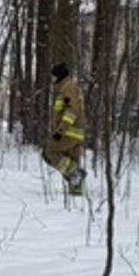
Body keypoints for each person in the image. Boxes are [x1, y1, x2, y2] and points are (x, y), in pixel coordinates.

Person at [43, 62, 88, 195]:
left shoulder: (67, 88)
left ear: (59, 75)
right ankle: (76, 191)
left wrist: (60, 130)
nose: (52, 80)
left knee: (50, 152)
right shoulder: (70, 87)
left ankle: (76, 173)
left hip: (69, 132)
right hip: (76, 132)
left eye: (54, 76)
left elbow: (72, 111)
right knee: (71, 159)